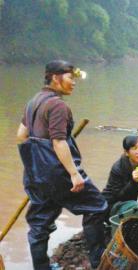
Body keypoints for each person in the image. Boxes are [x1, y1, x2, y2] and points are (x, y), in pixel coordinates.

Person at [16, 60, 108, 270]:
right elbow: (58, 142)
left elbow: (21, 137)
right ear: (56, 78)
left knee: (39, 224)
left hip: (37, 175)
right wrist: (74, 174)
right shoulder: (57, 105)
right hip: (60, 174)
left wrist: (37, 167)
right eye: (70, 78)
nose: (73, 83)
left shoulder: (33, 102)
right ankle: (99, 263)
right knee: (97, 206)